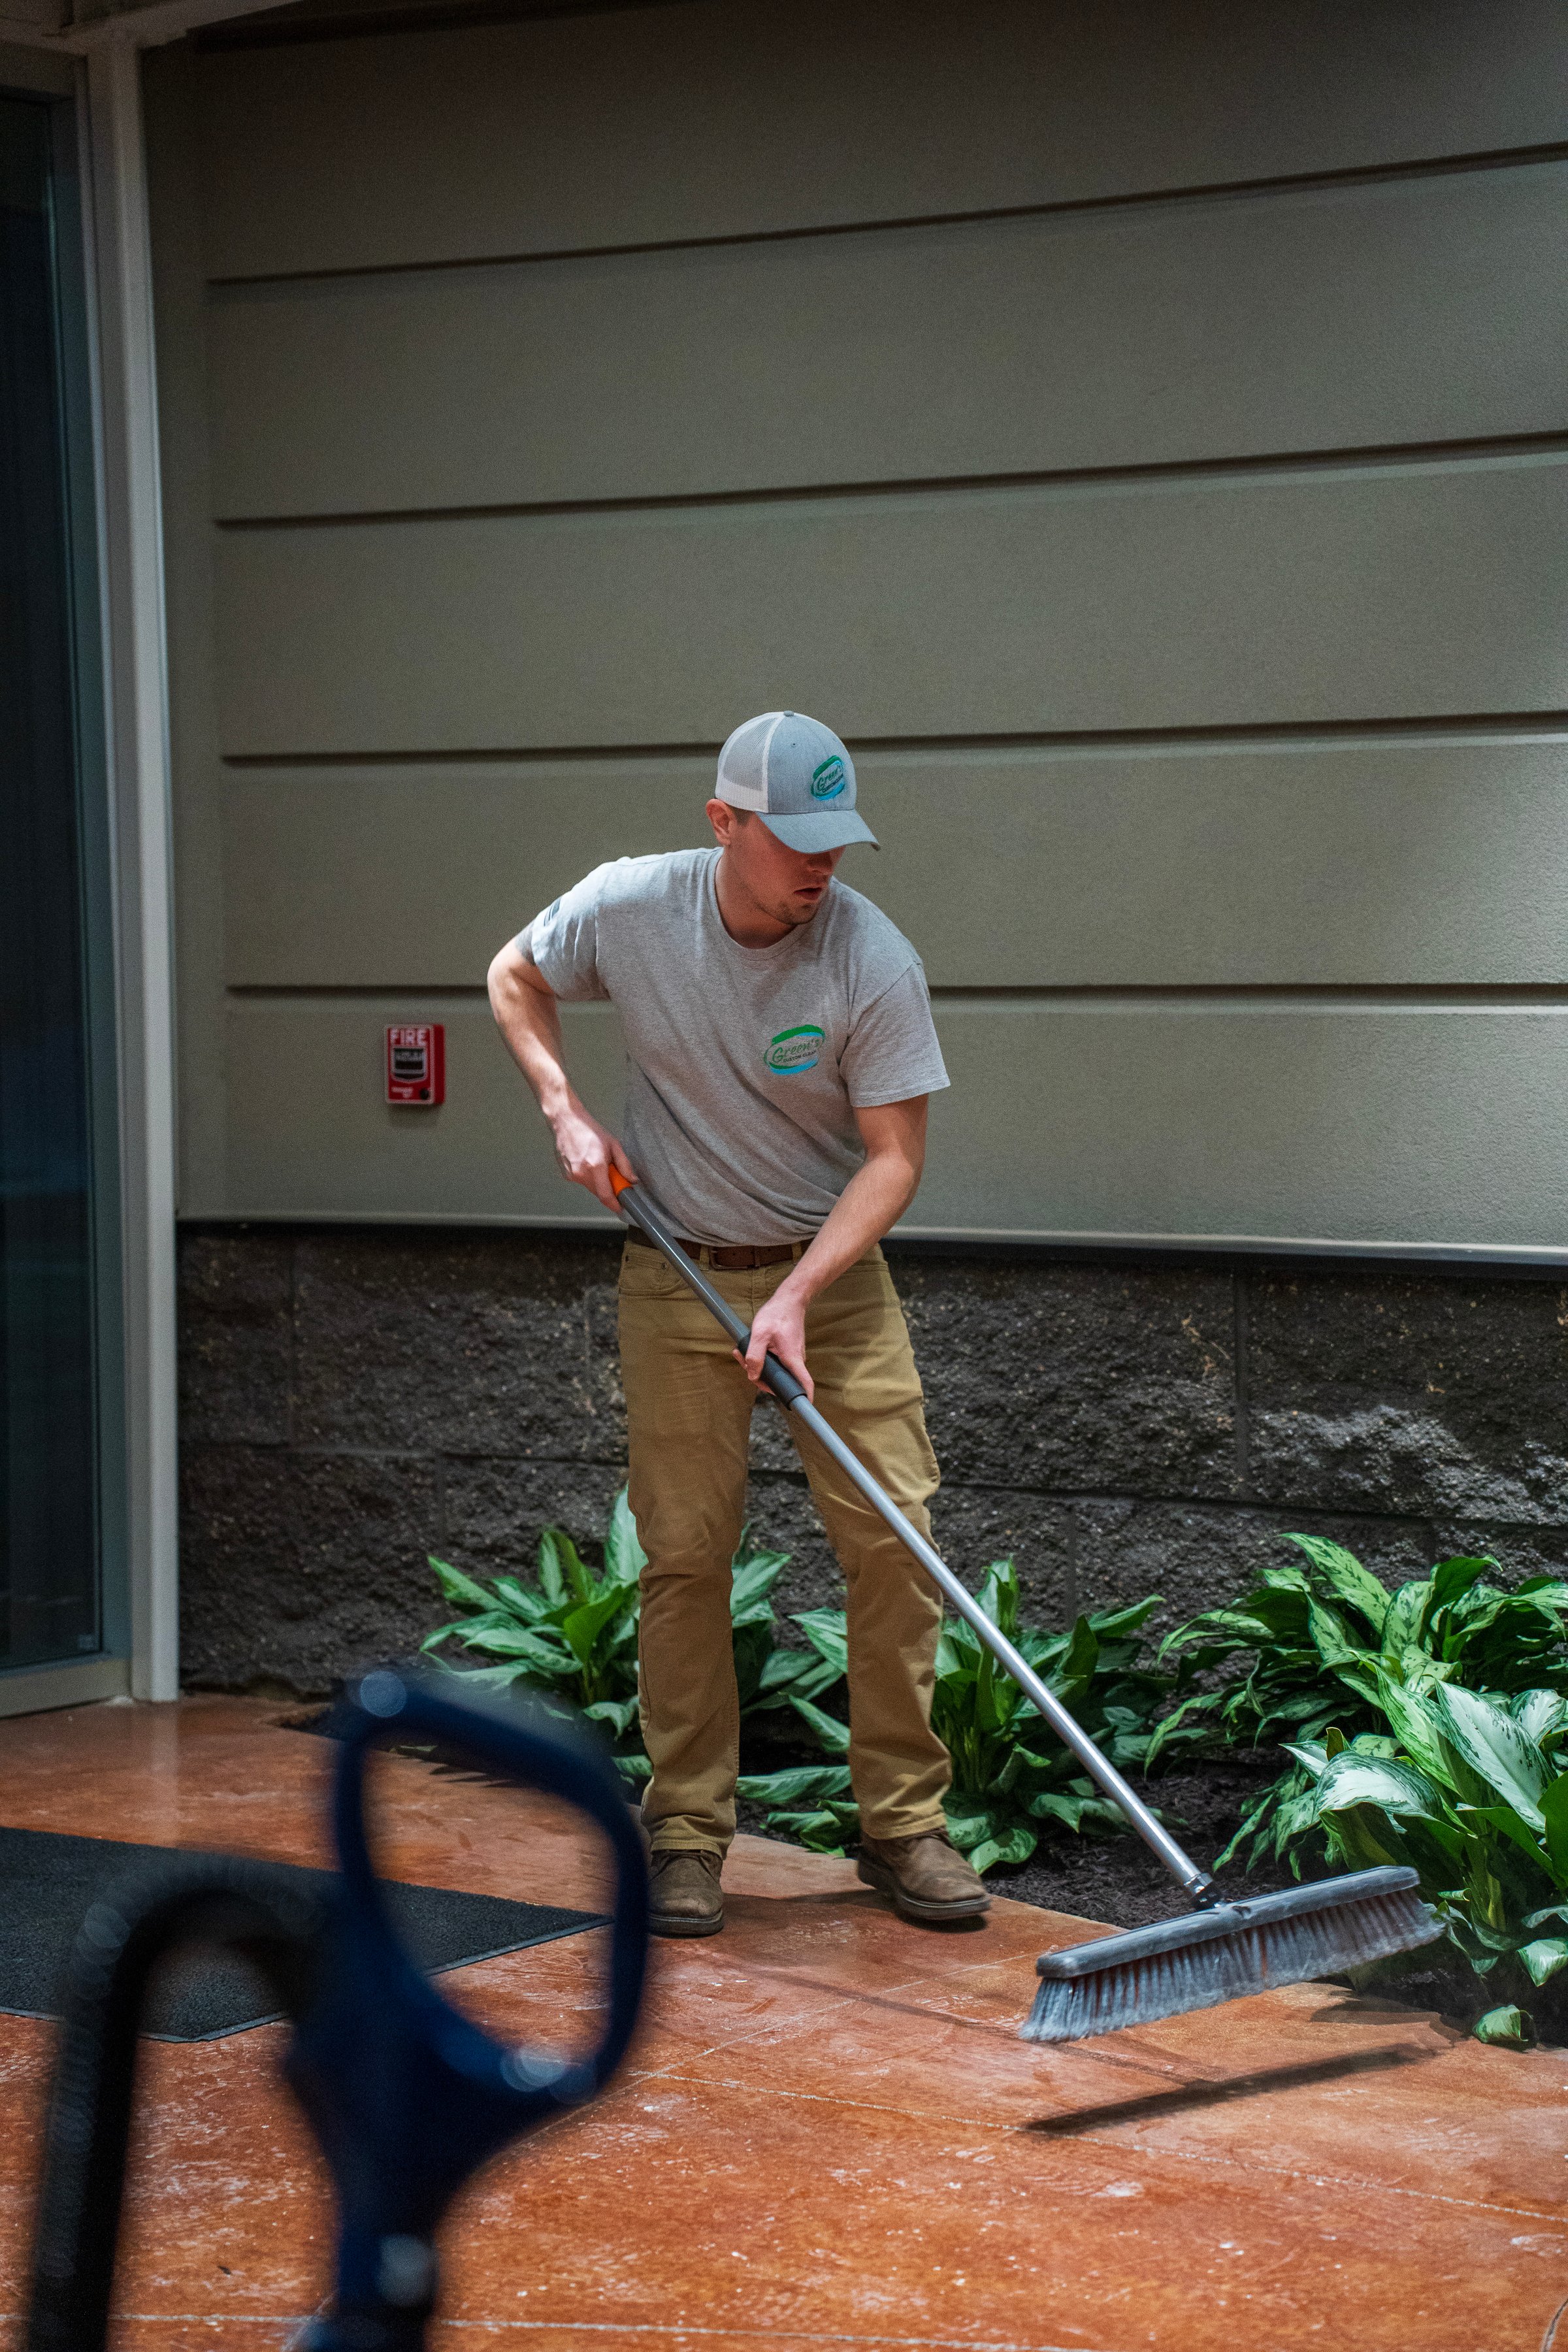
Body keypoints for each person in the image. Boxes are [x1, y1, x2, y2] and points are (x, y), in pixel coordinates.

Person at [487, 711, 988, 1937]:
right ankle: (689, 1834)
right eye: (795, 840)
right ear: (724, 823)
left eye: (838, 842)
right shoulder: (630, 907)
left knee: (896, 1541)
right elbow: (513, 975)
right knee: (686, 1556)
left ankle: (902, 1827)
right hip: (678, 1272)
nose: (820, 867)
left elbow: (894, 1160)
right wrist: (564, 1105)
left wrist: (800, 1294)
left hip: (831, 1277)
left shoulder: (872, 960)